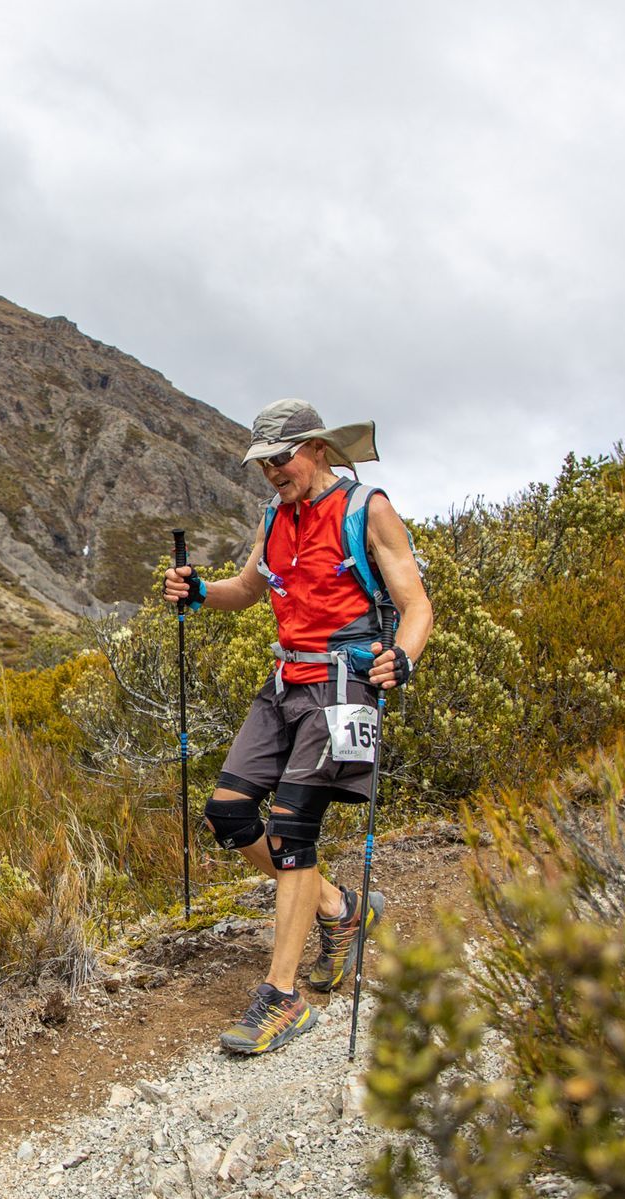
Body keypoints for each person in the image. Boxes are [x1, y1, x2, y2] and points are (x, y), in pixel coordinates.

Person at [163, 399, 432, 1055]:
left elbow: (416, 604)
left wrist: (405, 657)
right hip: (285, 682)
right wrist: (199, 591)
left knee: (292, 830)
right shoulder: (273, 517)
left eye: (280, 459)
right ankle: (339, 910)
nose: (272, 473)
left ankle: (283, 999)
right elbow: (249, 589)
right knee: (228, 812)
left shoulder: (368, 508)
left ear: (315, 448)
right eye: (264, 464)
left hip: (344, 687)